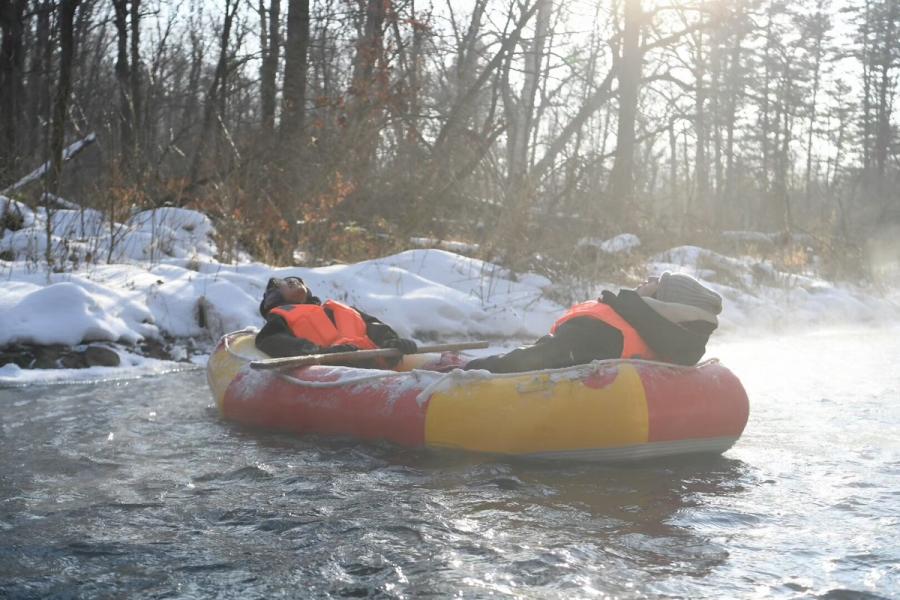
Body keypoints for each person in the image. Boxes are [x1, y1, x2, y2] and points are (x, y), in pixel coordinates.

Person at [464, 271, 723, 373]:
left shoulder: (605, 329)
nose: (647, 278)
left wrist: (468, 368)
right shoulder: (668, 343)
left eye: (657, 280)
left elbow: (535, 359)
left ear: (663, 301)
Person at [255, 276, 417, 367]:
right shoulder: (281, 317)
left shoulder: (335, 309)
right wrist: (314, 351)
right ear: (274, 296)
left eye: (296, 280)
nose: (292, 282)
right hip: (331, 368)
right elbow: (269, 340)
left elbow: (373, 327)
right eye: (286, 283)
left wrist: (391, 341)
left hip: (371, 363)